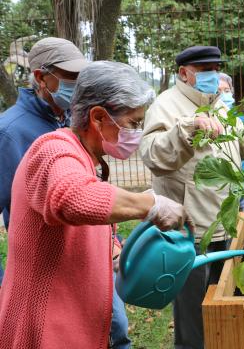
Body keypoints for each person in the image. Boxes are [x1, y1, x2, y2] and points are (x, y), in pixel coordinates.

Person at [0, 61, 193, 348]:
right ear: (99, 117)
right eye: (133, 123)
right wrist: (150, 203)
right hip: (44, 331)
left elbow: (74, 227)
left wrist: (113, 252)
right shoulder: (53, 150)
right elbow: (72, 198)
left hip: (73, 325)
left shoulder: (84, 156)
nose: (137, 133)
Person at [0, 37, 133, 348]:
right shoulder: (9, 132)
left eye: (80, 77)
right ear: (40, 78)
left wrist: (111, 242)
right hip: (50, 271)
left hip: (92, 260)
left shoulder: (71, 121)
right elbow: (68, 196)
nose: (76, 84)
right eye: (69, 78)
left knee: (116, 331)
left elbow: (91, 189)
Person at [140, 46, 244, 349]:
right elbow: (153, 155)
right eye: (204, 70)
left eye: (215, 68)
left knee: (224, 305)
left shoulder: (219, 106)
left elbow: (241, 146)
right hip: (189, 231)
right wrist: (186, 129)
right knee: (193, 318)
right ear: (184, 73)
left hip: (224, 225)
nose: (211, 75)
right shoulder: (166, 105)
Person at [219, 72, 244, 211]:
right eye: (219, 91)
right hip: (222, 183)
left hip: (241, 179)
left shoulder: (241, 119)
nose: (224, 94)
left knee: (242, 214)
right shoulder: (210, 119)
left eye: (227, 90)